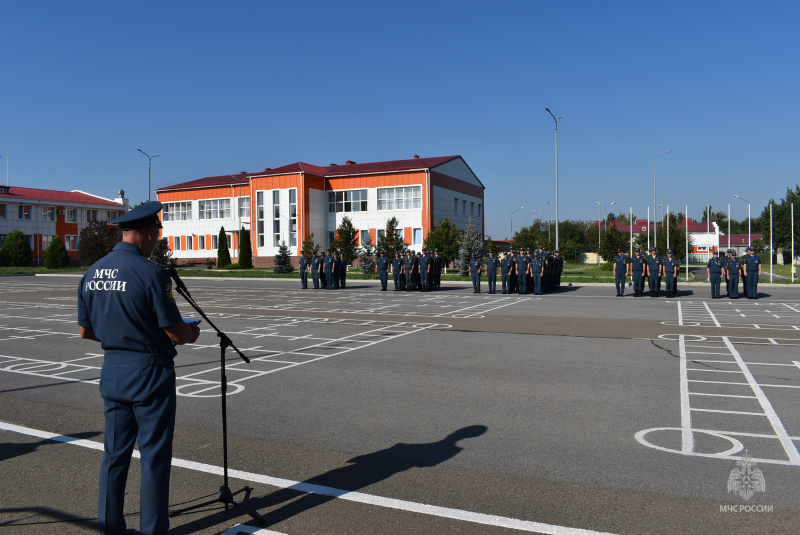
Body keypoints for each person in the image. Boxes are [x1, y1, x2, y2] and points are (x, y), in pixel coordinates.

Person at [78, 202, 201, 535]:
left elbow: (85, 331)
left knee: (114, 457)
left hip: (113, 371)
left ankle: (111, 528)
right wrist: (192, 330)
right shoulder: (151, 274)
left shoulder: (92, 272)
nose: (156, 242)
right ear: (148, 233)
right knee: (154, 460)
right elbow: (175, 332)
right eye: (156, 236)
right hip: (149, 374)